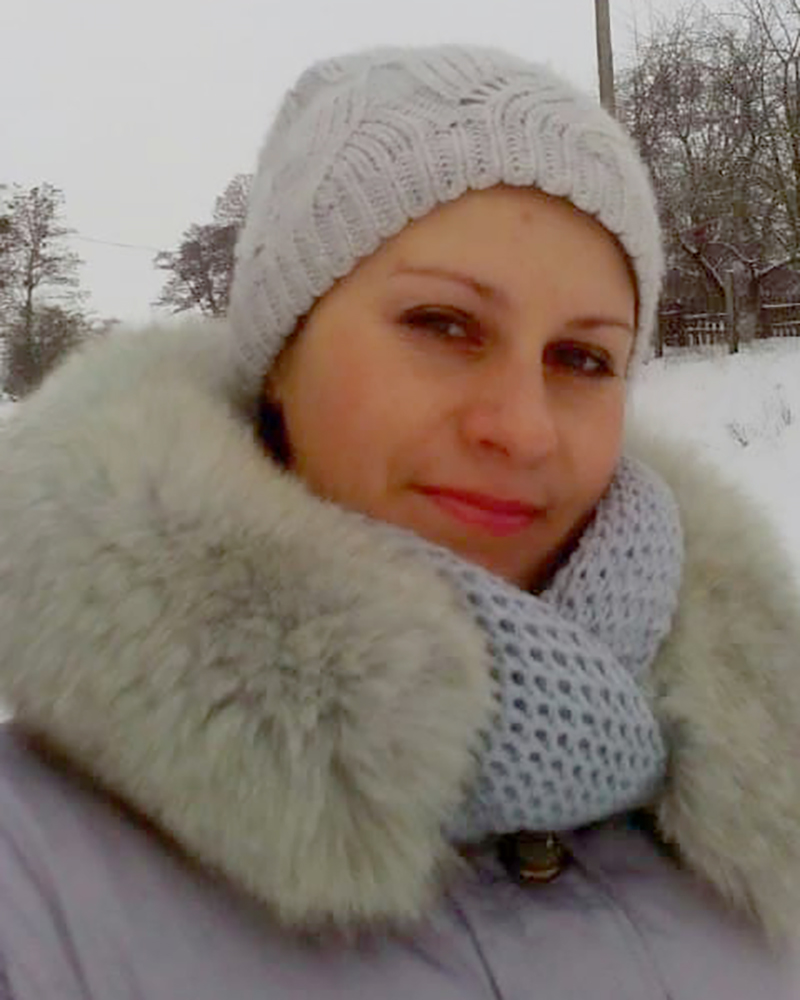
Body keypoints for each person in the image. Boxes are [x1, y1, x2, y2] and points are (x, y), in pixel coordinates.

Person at [0, 44, 799, 1000]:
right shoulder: (31, 880)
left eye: (583, 359)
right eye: (442, 324)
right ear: (280, 355)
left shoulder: (766, 809)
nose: (522, 428)